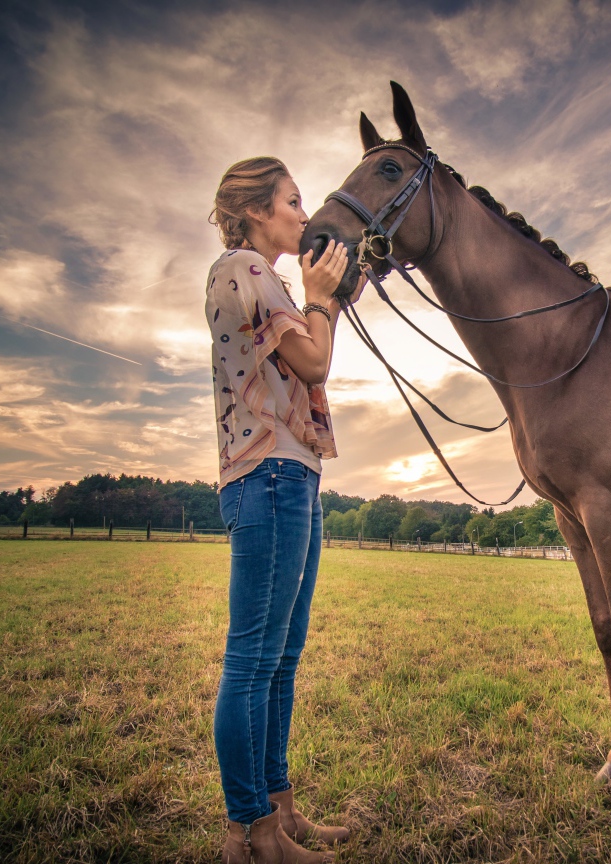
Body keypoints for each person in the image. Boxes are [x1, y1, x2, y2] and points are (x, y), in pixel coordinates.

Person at [206, 156, 362, 864]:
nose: (305, 215)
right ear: (259, 212)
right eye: (294, 202)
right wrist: (320, 295)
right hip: (268, 476)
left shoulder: (259, 277)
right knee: (254, 660)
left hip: (290, 475)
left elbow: (305, 356)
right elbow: (315, 362)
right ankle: (250, 834)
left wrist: (317, 297)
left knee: (281, 658)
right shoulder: (245, 267)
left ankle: (279, 807)